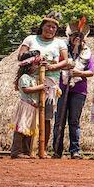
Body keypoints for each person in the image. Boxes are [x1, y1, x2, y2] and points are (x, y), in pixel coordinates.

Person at [18, 12, 68, 157]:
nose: (50, 29)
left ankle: (42, 149)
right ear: (42, 27)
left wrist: (52, 67)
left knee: (46, 117)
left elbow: (65, 61)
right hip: (31, 80)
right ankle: (24, 150)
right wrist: (35, 59)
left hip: (50, 83)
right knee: (29, 114)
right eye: (48, 26)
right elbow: (20, 56)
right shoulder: (30, 39)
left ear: (56, 30)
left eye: (53, 27)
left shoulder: (60, 43)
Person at [52, 17, 94, 159]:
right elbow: (55, 65)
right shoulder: (62, 51)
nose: (77, 38)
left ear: (84, 39)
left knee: (74, 121)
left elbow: (91, 72)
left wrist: (78, 73)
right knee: (60, 119)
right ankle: (57, 150)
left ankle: (75, 150)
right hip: (62, 88)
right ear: (69, 37)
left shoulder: (87, 53)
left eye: (80, 36)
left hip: (79, 90)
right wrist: (66, 65)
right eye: (74, 36)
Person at [10, 50, 45, 158]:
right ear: (28, 66)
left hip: (32, 107)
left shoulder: (33, 78)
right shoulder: (24, 77)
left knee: (28, 130)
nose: (36, 67)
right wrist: (40, 87)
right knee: (21, 129)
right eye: (35, 65)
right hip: (25, 106)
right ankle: (16, 151)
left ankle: (25, 151)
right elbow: (26, 90)